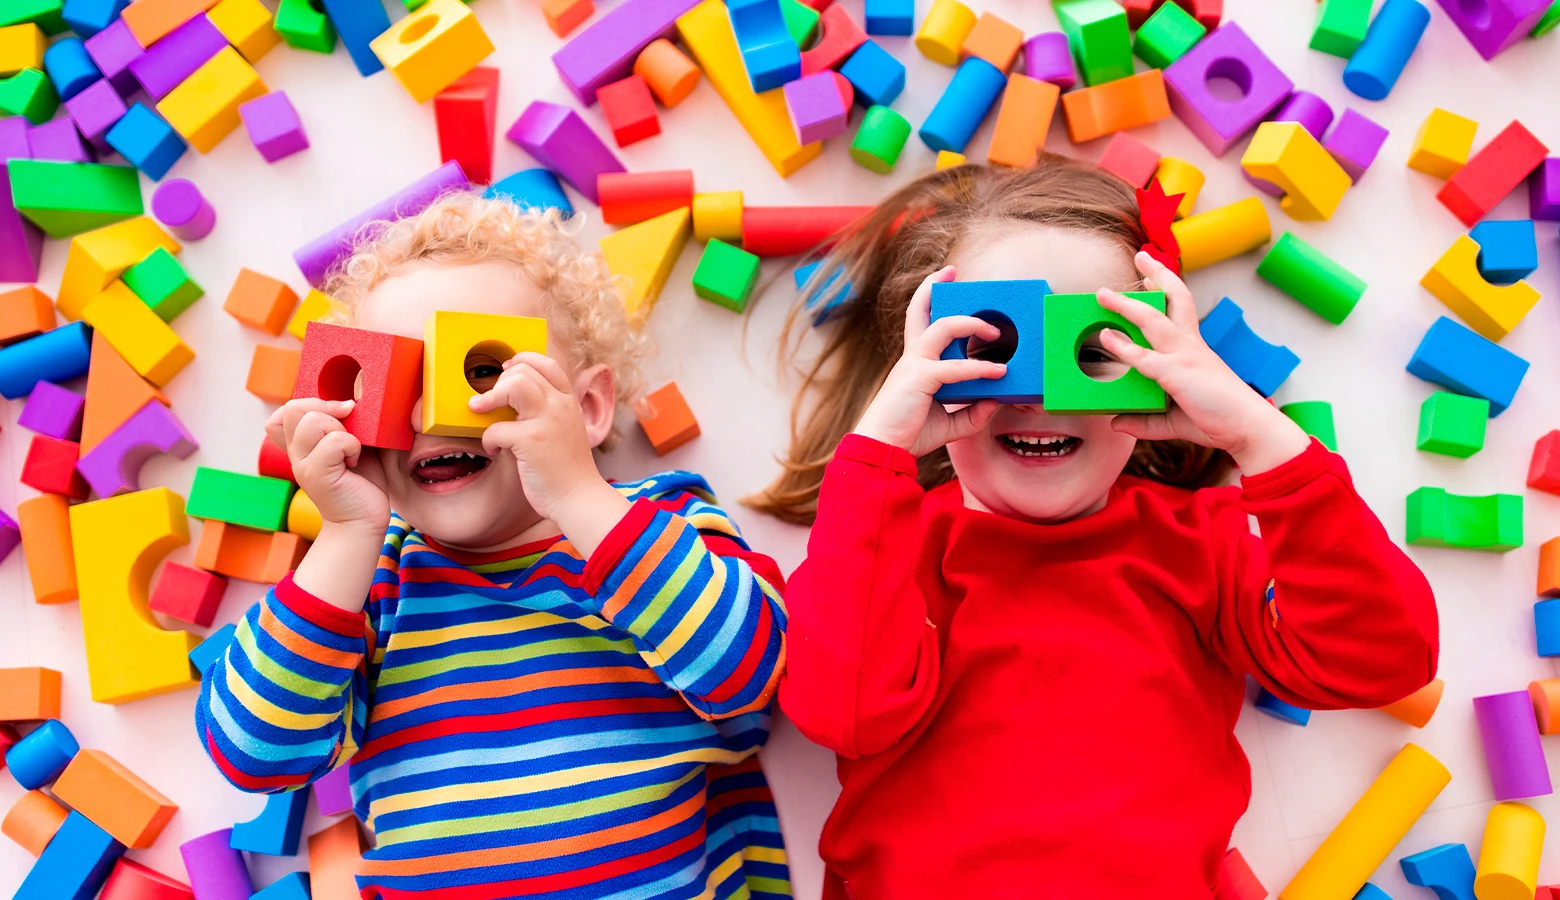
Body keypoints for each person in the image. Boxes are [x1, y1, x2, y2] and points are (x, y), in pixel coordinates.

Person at [749, 159, 1438, 898]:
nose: (1043, 398)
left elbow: (1385, 660)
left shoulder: (1201, 545)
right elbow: (843, 715)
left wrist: (1258, 438)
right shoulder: (885, 546)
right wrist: (877, 455)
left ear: (1158, 372)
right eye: (996, 353)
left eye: (1092, 354)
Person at [196, 193, 791, 899]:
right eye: (392, 386)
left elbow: (752, 673)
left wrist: (577, 494)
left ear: (588, 409)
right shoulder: (370, 584)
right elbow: (254, 754)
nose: (428, 415)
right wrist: (347, 533)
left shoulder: (656, 525)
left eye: (480, 371)